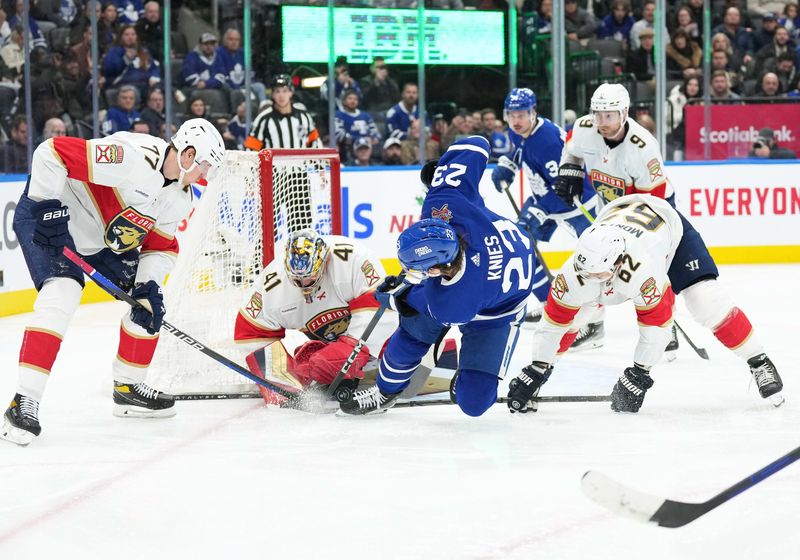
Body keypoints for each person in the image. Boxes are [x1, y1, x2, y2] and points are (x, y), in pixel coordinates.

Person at [550, 82, 784, 407]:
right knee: (587, 288)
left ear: (625, 113)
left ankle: (760, 362)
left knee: (705, 301)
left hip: (660, 223)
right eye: (598, 113)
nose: (603, 121)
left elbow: (654, 207)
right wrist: (571, 169)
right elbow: (573, 149)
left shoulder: (642, 146)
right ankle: (542, 365)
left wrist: (658, 273)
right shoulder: (584, 129)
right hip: (613, 224)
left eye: (610, 114)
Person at [1, 118, 226, 446]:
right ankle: (23, 401)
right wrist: (46, 205)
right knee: (62, 293)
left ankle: (127, 388)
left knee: (150, 306)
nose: (205, 176)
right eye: (205, 166)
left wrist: (148, 286)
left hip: (100, 242)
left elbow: (160, 248)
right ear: (189, 154)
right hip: (50, 221)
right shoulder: (130, 156)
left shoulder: (182, 198)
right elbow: (51, 153)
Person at [339, 136, 535, 416]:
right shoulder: (445, 202)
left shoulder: (452, 301)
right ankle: (386, 392)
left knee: (474, 403)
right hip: (489, 265)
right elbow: (476, 143)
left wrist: (392, 296)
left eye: (419, 269)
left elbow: (410, 301)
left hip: (498, 312)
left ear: (433, 270)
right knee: (411, 335)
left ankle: (463, 370)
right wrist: (442, 172)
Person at [507, 194, 682, 413]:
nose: (587, 277)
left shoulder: (645, 271)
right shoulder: (574, 270)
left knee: (701, 299)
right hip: (614, 215)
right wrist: (538, 367)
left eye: (595, 274)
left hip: (668, 225)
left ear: (617, 263)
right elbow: (553, 324)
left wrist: (640, 373)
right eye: (584, 272)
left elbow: (655, 328)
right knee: (576, 309)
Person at [232, 230, 396, 404]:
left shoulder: (352, 259)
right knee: (312, 364)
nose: (304, 286)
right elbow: (250, 333)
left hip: (377, 344)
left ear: (324, 261)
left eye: (309, 278)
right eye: (297, 280)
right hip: (332, 343)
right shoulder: (272, 286)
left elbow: (382, 308)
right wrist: (285, 383)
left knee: (396, 349)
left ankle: (399, 362)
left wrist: (350, 350)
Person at [490, 88, 599, 341]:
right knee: (521, 243)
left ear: (533, 113)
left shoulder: (548, 141)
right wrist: (508, 166)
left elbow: (564, 183)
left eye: (521, 115)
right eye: (511, 115)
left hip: (577, 202)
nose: (516, 121)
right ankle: (550, 303)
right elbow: (520, 150)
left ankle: (595, 325)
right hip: (546, 200)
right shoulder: (520, 131)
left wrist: (541, 209)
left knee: (596, 260)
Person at [245, 74, 322, 150]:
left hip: (300, 162)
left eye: (285, 91)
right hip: (274, 163)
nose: (281, 95)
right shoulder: (263, 119)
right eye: (277, 91)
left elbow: (315, 143)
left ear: (291, 93)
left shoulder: (304, 116)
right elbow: (250, 150)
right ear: (272, 94)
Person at [334, 88, 381, 154]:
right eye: (350, 98)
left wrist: (375, 139)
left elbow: (376, 133)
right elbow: (339, 135)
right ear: (344, 101)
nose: (353, 101)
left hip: (368, 147)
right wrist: (358, 139)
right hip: (348, 149)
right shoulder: (339, 115)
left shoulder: (366, 115)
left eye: (355, 99)